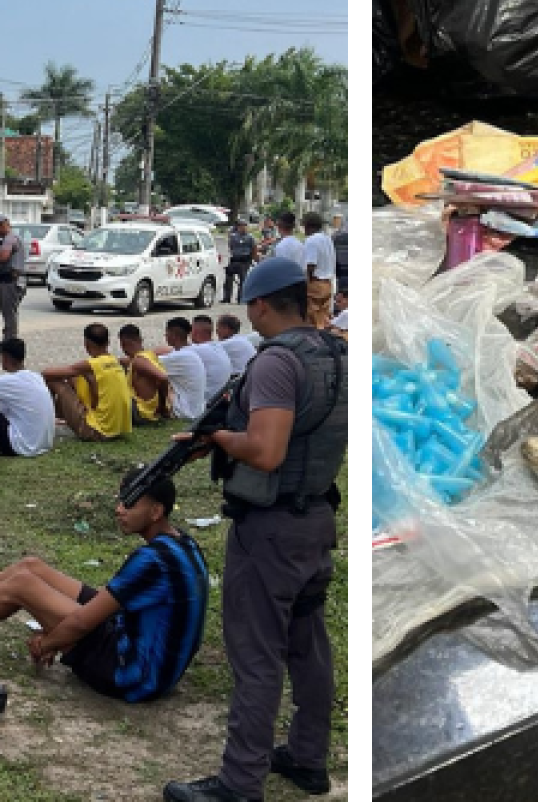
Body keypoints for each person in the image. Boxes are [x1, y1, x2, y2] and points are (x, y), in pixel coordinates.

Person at [164, 257, 344, 802]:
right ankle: (308, 757)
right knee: (308, 644)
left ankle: (240, 784)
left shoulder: (276, 362)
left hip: (270, 528)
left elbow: (265, 451)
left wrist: (219, 438)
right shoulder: (337, 353)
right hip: (316, 517)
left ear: (261, 304)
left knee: (257, 654)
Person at [0, 467, 208, 706]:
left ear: (156, 511)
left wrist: (48, 642)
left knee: (22, 585)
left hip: (131, 674)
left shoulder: (151, 560)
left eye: (130, 503)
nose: (119, 509)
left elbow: (81, 623)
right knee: (30, 567)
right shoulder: (182, 543)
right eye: (121, 500)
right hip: (138, 646)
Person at [41, 324, 133, 441]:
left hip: (96, 432)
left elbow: (46, 373)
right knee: (74, 378)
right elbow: (95, 398)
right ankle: (61, 417)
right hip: (116, 430)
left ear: (87, 343)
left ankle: (47, 420)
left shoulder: (91, 364)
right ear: (108, 342)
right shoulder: (115, 361)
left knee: (54, 381)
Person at [0, 339, 57, 457]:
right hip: (43, 443)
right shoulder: (36, 377)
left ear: (6, 358)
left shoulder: (9, 381)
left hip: (21, 445)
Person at [156, 317, 210, 421]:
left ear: (174, 335)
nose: (165, 336)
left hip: (186, 411)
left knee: (151, 375)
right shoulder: (188, 353)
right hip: (196, 409)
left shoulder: (181, 356)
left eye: (167, 333)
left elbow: (148, 362)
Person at [0, 215, 26, 352]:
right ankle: (8, 339)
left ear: (3, 225)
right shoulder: (14, 238)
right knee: (10, 313)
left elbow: (3, 257)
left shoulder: (9, 239)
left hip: (11, 280)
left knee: (9, 313)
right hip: (15, 280)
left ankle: (10, 342)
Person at [119, 324, 170, 423]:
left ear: (124, 343)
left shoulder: (139, 361)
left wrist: (162, 406)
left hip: (142, 413)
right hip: (149, 410)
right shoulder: (150, 355)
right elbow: (126, 361)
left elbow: (163, 378)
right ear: (140, 340)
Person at [300, 213, 337, 330]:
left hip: (315, 283)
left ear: (308, 226)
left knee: (313, 320)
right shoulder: (327, 239)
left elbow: (311, 264)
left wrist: (307, 282)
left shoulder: (311, 241)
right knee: (324, 319)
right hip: (328, 283)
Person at [190, 314, 234, 399]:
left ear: (194, 331)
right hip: (219, 400)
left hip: (207, 402)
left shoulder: (199, 350)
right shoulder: (218, 347)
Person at [224, 220, 256, 303]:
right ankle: (227, 297)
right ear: (238, 227)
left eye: (245, 226)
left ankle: (240, 298)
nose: (243, 228)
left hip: (245, 261)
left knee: (243, 280)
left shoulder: (250, 237)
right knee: (228, 278)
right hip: (234, 259)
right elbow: (231, 247)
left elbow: (254, 249)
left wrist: (252, 259)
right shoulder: (233, 237)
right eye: (241, 226)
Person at [330, 215, 348, 294]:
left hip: (339, 269)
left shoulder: (335, 236)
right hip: (343, 268)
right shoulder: (335, 235)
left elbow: (331, 252)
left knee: (341, 292)